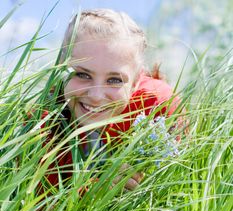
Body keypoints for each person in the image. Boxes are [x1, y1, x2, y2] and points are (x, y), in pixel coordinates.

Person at [38, 8, 186, 194]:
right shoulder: (42, 121)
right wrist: (94, 190)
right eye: (82, 74)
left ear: (135, 81)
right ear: (61, 70)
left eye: (114, 80)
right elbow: (35, 207)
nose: (96, 95)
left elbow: (178, 184)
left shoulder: (157, 106)